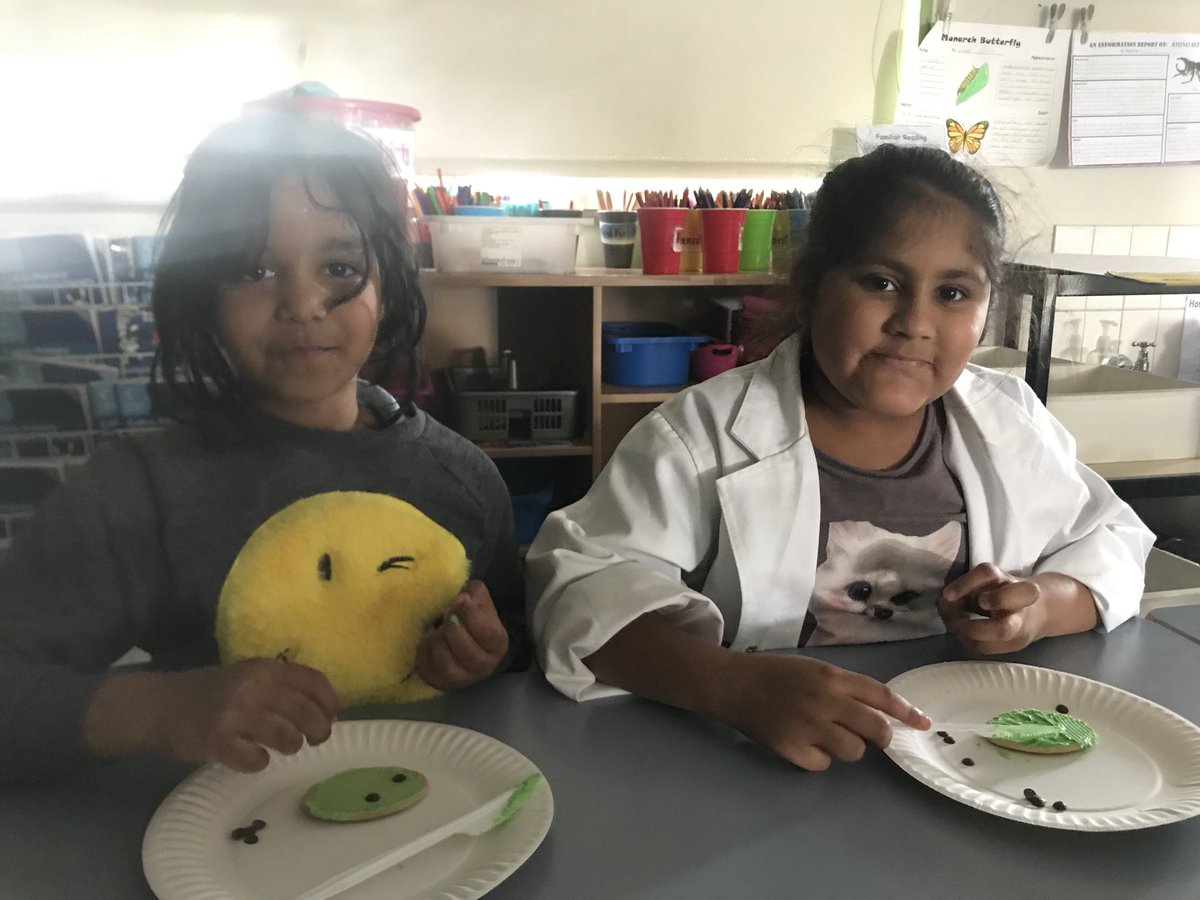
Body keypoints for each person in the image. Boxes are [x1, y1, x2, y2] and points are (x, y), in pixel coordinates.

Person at [526, 144, 1154, 773]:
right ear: (809, 286)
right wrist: (734, 685)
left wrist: (1039, 607)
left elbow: (1113, 542)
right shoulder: (699, 436)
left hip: (966, 755)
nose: (915, 322)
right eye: (882, 283)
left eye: (954, 293)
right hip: (764, 763)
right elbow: (580, 593)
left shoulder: (1010, 422)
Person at [0, 113, 528, 783]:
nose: (303, 302)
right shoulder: (136, 490)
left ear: (387, 284)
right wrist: (158, 708)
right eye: (254, 268)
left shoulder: (465, 477)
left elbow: (517, 653)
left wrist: (488, 654)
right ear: (201, 294)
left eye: (338, 265)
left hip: (432, 834)